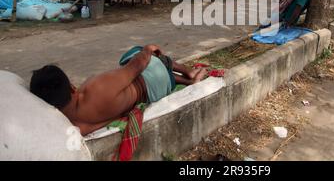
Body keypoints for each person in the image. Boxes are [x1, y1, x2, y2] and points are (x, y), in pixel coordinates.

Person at [29, 44, 208, 136]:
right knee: (135, 54)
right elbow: (137, 65)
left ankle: (187, 80)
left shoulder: (76, 126)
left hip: (154, 91)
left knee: (135, 76)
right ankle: (189, 73)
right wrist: (147, 49)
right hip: (155, 82)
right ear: (72, 88)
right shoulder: (95, 89)